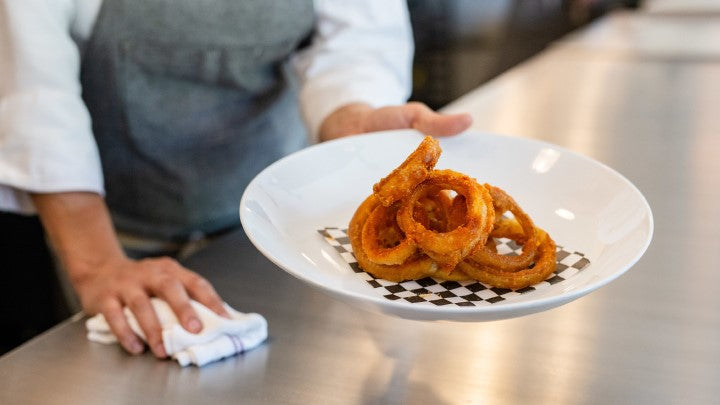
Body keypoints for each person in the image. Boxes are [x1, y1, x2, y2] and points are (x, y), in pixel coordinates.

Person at [0, 0, 472, 357]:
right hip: (113, 229)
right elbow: (34, 88)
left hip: (276, 231)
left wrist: (351, 115)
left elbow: (352, 40)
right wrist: (98, 266)